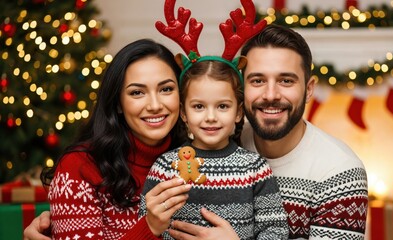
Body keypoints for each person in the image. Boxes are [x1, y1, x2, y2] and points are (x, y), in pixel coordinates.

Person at [24, 24, 368, 240]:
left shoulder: (335, 172)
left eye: (166, 89)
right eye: (258, 81)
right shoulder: (176, 156)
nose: (155, 105)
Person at [167, 24, 368, 240]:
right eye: (258, 80)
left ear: (308, 89)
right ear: (241, 89)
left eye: (286, 81)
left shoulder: (340, 172)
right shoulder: (219, 138)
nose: (271, 94)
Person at [38, 38, 194, 240]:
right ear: (118, 104)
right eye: (137, 92)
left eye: (166, 89)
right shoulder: (79, 167)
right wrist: (149, 227)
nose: (155, 105)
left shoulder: (194, 160)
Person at [142, 57, 289, 239]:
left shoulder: (255, 168)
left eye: (222, 106)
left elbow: (276, 231)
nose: (211, 117)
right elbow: (146, 224)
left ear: (238, 112)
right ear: (183, 113)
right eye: (198, 106)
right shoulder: (164, 167)